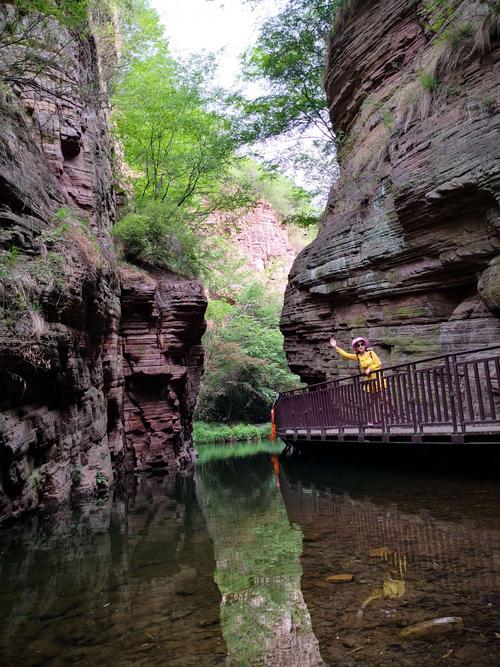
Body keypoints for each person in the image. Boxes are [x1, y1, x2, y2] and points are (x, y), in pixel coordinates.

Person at [329, 336, 386, 425]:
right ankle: (375, 420)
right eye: (358, 345)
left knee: (385, 399)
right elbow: (346, 355)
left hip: (377, 379)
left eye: (362, 344)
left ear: (365, 345)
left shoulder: (371, 353)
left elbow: (379, 364)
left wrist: (370, 369)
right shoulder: (358, 356)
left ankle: (395, 414)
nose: (360, 346)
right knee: (373, 402)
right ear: (356, 347)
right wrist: (336, 347)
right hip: (369, 381)